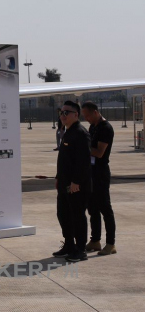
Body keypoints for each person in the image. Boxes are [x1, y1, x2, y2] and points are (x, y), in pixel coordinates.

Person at [53, 100, 91, 262]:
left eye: (66, 112)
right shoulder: (67, 132)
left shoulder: (80, 133)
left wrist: (76, 181)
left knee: (77, 216)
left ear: (76, 115)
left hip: (76, 185)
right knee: (63, 214)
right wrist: (58, 177)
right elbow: (65, 160)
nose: (62, 115)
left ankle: (80, 249)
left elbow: (83, 162)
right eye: (61, 112)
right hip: (64, 183)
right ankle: (69, 244)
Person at [81, 101, 116, 255]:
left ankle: (110, 243)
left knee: (105, 208)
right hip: (91, 171)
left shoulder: (105, 128)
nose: (86, 118)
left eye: (87, 115)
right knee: (92, 208)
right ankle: (95, 240)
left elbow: (99, 152)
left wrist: (82, 147)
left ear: (95, 112)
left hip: (101, 172)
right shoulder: (93, 127)